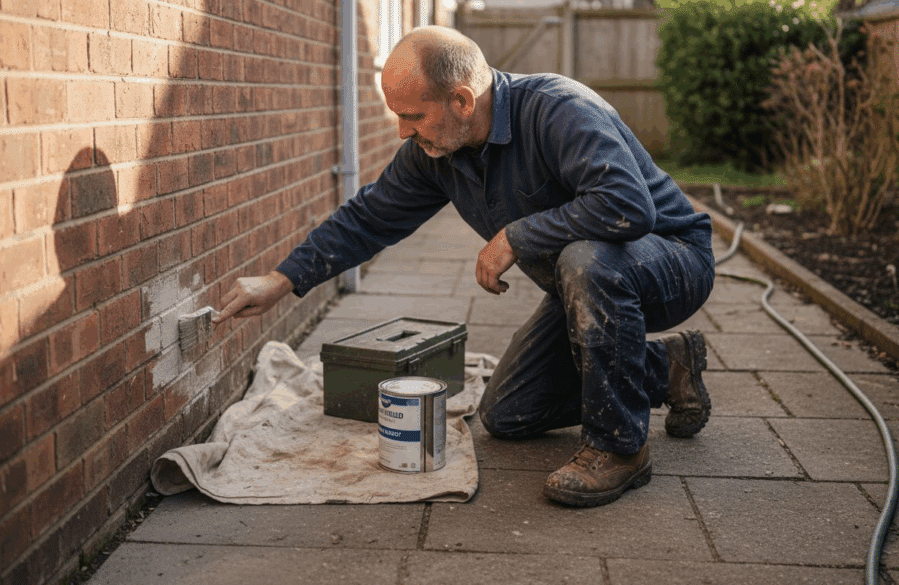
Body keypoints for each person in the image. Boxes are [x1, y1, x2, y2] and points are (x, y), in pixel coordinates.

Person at [215, 26, 715, 507]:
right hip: (586, 286)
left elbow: (626, 205)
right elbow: (369, 217)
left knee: (584, 259)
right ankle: (667, 368)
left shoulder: (559, 110)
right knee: (509, 413)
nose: (402, 130)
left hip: (670, 260)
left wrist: (516, 235)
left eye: (412, 115)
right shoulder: (435, 151)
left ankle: (620, 447)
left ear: (461, 100)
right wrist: (282, 280)